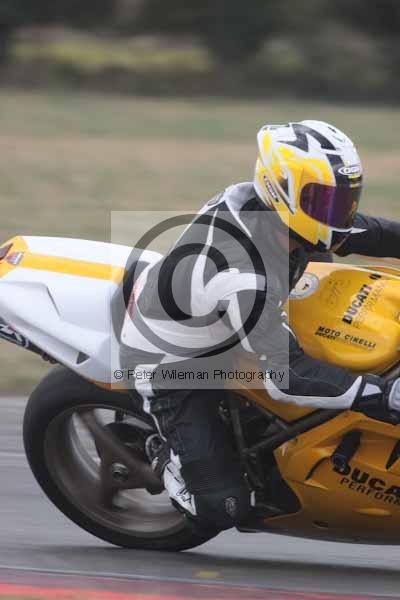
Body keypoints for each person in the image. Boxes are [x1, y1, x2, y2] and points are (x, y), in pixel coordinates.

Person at [120, 120, 400, 533]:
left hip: (231, 320)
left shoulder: (276, 212)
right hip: (173, 365)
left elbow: (373, 234)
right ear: (282, 190)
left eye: (344, 200)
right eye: (324, 201)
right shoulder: (243, 273)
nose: (339, 214)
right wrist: (383, 395)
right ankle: (162, 454)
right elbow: (285, 377)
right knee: (223, 508)